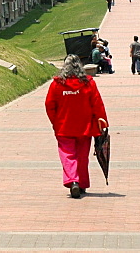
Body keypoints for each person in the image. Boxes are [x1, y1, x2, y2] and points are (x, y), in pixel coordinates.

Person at [46, 54, 109, 199]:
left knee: (68, 155)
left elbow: (50, 105)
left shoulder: (56, 84)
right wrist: (102, 123)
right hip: (85, 127)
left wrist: (55, 122)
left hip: (64, 127)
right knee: (82, 157)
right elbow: (97, 104)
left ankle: (73, 180)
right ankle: (81, 183)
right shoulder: (88, 83)